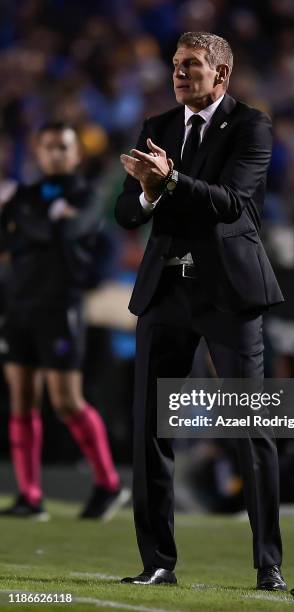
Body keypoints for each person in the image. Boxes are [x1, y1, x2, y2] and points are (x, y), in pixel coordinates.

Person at [116, 32, 286, 590]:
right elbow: (126, 212)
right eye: (175, 66)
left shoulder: (251, 125)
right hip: (166, 291)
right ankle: (157, 563)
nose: (180, 74)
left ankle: (268, 566)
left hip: (229, 295)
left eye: (192, 66)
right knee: (149, 433)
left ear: (222, 75)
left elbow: (233, 203)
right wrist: (145, 193)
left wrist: (169, 182)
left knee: (250, 428)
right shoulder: (158, 126)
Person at [0, 122, 130, 521]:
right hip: (18, 306)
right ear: (39, 152)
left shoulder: (87, 194)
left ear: (75, 154)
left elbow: (73, 230)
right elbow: (8, 239)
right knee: (21, 400)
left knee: (66, 401)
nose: (56, 153)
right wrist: (47, 226)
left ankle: (108, 484)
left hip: (60, 306)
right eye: (49, 146)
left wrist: (33, 228)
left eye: (63, 147)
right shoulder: (23, 194)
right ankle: (30, 496)